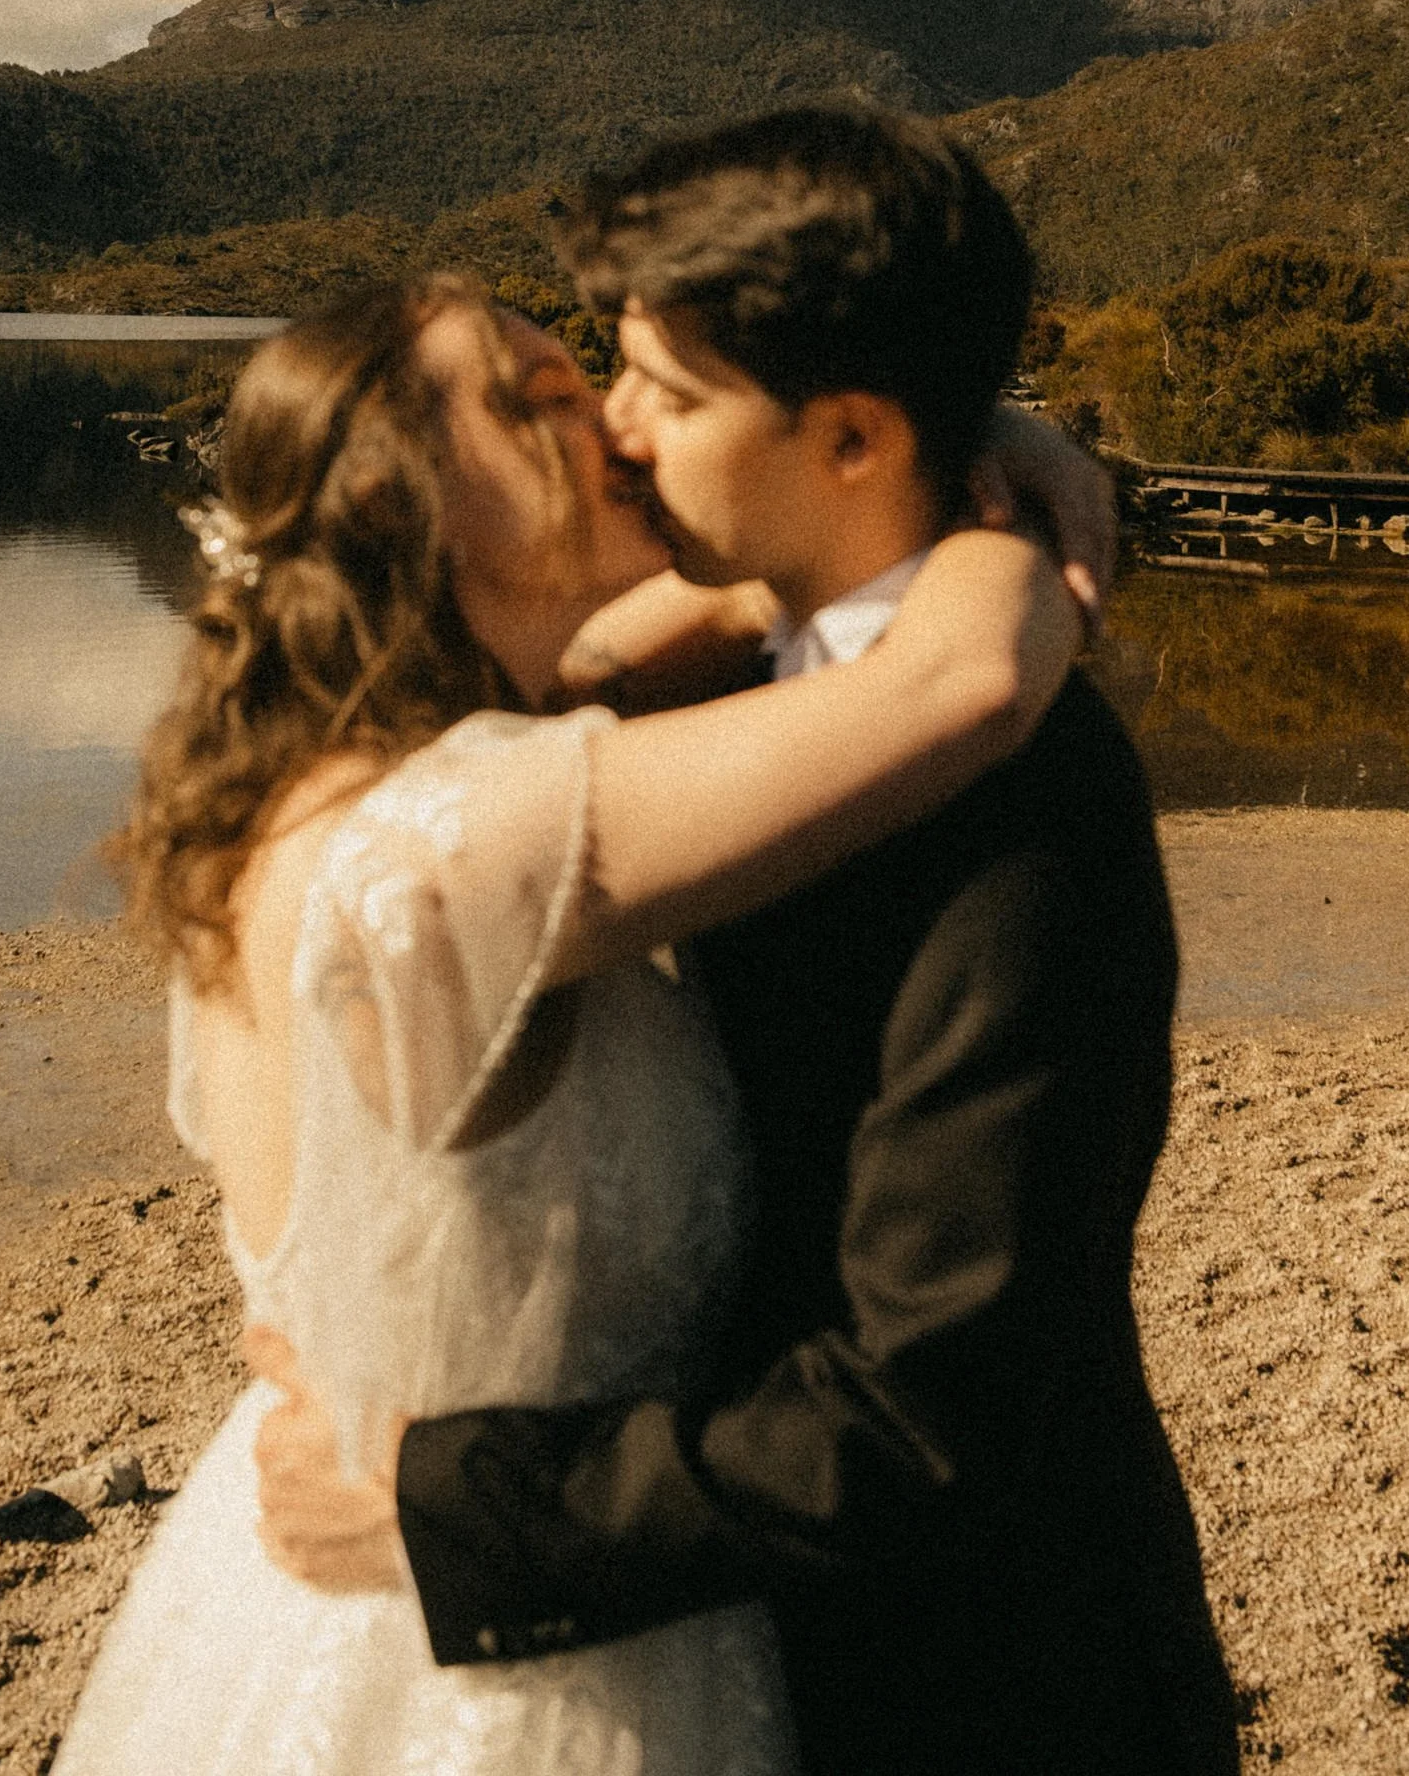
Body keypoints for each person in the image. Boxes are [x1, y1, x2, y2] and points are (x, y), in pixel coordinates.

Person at [256, 108, 1240, 1776]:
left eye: (667, 392)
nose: (619, 437)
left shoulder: (1028, 815)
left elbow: (937, 1410)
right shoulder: (711, 682)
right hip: (734, 1647)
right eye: (601, 377)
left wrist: (443, 1501)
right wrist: (996, 432)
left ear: (851, 436)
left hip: (974, 1693)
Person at [53, 261, 1085, 1776]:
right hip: (513, 1656)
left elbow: (699, 607)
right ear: (405, 501)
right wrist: (1012, 500)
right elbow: (969, 673)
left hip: (374, 1583)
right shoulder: (466, 835)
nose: (607, 419)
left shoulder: (335, 783)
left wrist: (964, 429)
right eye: (535, 398)